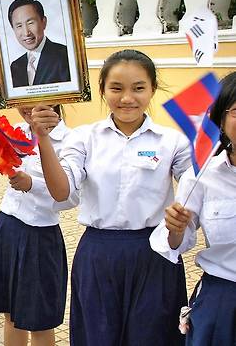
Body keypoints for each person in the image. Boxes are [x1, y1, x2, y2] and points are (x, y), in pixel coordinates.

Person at [31, 49, 192, 345]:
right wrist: (42, 138)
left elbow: (196, 186)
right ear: (103, 89)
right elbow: (62, 191)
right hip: (98, 255)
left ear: (152, 89)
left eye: (138, 88)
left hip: (154, 255)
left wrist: (180, 222)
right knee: (98, 336)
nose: (127, 98)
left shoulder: (173, 142)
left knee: (153, 336)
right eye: (116, 88)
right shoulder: (83, 138)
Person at [150, 71, 236, 346]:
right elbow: (177, 242)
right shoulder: (202, 176)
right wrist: (174, 228)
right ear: (220, 119)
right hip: (224, 301)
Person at [0, 105, 75, 346]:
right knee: (10, 314)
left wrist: (31, 184)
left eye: (35, 100)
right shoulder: (17, 132)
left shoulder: (70, 140)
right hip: (6, 227)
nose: (27, 107)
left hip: (39, 237)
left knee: (39, 321)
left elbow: (71, 197)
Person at [8, 0, 70, 88]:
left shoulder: (65, 56)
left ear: (43, 22)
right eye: (19, 26)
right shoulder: (15, 66)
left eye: (30, 23)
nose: (26, 33)